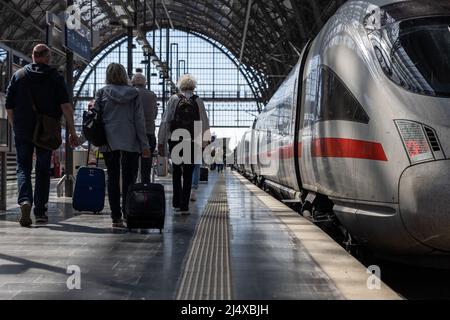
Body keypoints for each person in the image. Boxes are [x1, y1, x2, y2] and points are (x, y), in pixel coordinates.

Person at [5, 44, 79, 227]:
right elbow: (66, 107)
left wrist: (16, 127)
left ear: (33, 56)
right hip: (47, 131)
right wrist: (72, 132)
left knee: (23, 167)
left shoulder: (18, 76)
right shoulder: (55, 77)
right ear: (47, 58)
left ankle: (24, 201)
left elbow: (9, 107)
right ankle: (40, 212)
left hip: (23, 129)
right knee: (43, 170)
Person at [94, 63, 150, 227]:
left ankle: (115, 217)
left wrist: (83, 138)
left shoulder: (101, 92)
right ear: (124, 75)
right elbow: (139, 121)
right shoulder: (134, 93)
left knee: (112, 177)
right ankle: (127, 212)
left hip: (108, 142)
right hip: (131, 142)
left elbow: (94, 118)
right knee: (129, 179)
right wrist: (145, 145)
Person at [158, 74, 210, 214]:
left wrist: (161, 141)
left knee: (176, 172)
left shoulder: (174, 99)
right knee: (188, 172)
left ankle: (176, 202)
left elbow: (165, 121)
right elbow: (204, 122)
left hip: (175, 139)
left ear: (180, 86)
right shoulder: (198, 101)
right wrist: (205, 143)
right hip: (192, 141)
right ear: (193, 86)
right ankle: (184, 205)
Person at [131, 72, 158, 184]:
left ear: (132, 82)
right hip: (149, 134)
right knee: (146, 168)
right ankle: (145, 192)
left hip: (133, 136)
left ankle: (132, 192)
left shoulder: (130, 94)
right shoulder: (152, 95)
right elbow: (155, 114)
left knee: (132, 168)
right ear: (145, 83)